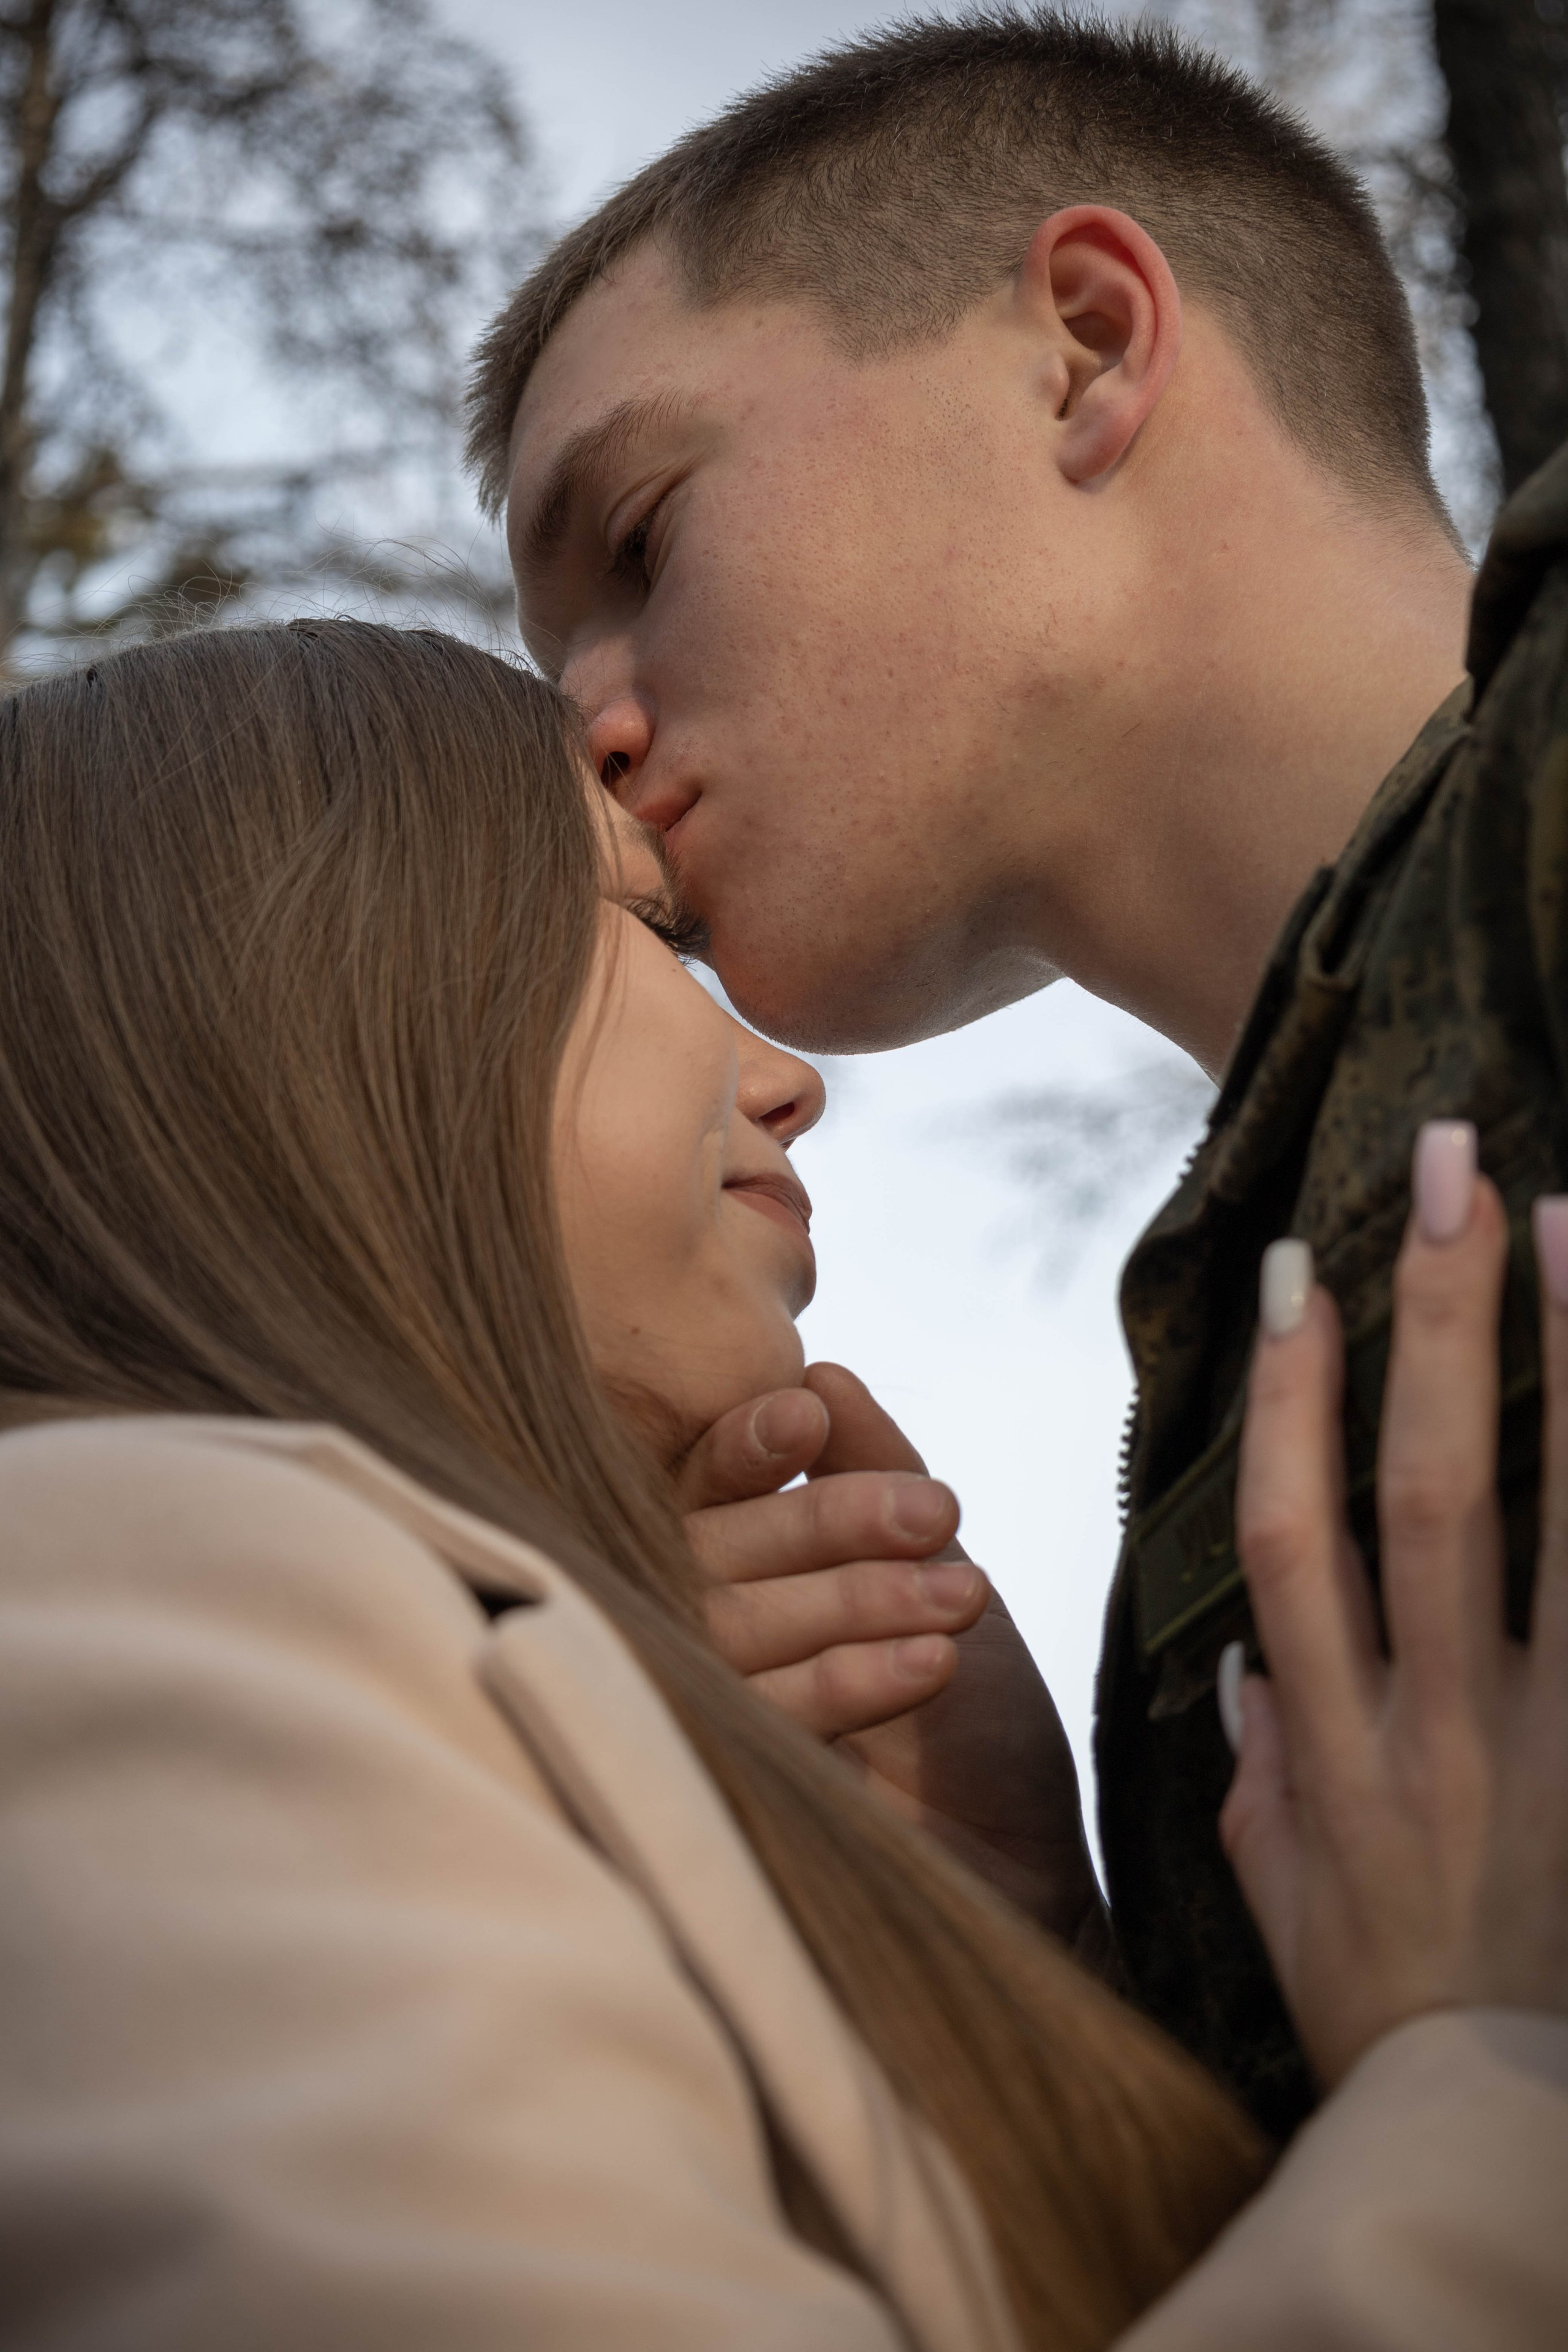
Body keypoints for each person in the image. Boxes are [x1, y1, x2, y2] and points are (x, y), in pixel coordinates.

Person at [1, 618, 1565, 2351]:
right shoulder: (104, 1618)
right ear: (313, 990)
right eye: (650, 928)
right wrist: (1480, 2072)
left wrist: (994, 1957)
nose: (787, 1082)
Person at [470, 9, 1568, 2128]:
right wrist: (1061, 1972)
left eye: (644, 540)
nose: (590, 725)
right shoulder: (1248, 1280)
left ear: (1081, 344)